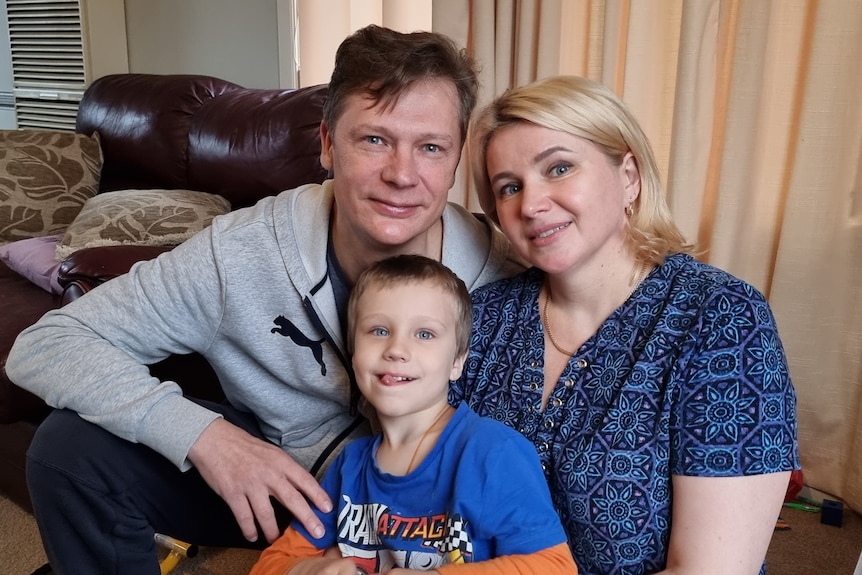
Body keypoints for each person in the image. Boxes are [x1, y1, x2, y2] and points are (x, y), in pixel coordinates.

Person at [6, 25, 523, 575]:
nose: (401, 174)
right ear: (327, 143)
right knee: (71, 450)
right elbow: (46, 344)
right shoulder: (241, 250)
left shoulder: (502, 272)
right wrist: (207, 436)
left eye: (430, 147)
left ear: (456, 159)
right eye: (373, 139)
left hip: (424, 517)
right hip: (284, 485)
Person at [452, 75, 799, 575]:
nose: (530, 204)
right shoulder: (481, 319)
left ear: (630, 176)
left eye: (559, 167)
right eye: (510, 187)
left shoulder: (721, 320)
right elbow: (419, 486)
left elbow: (711, 570)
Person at [251, 255, 577, 575]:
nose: (396, 349)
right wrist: (310, 569)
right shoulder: (348, 465)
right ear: (353, 354)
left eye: (424, 334)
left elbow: (554, 567)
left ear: (457, 362)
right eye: (378, 330)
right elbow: (272, 563)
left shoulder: (493, 454)